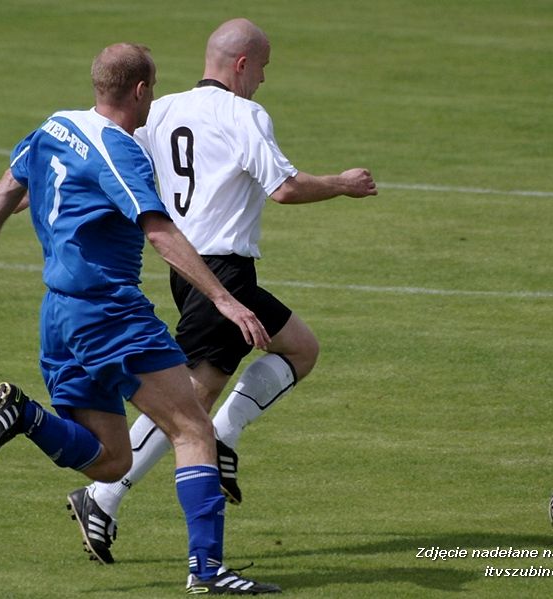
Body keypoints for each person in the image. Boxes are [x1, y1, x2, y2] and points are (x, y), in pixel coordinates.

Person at [0, 42, 281, 595]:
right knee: (193, 428)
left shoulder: (56, 125)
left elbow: (8, 183)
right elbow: (161, 232)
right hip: (108, 313)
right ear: (141, 90)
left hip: (59, 316)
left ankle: (23, 415)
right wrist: (224, 299)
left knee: (110, 461)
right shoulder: (118, 150)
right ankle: (207, 570)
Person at [68, 18, 378, 565]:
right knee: (187, 403)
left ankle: (224, 439)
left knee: (300, 348)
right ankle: (102, 494)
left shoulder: (162, 110)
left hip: (188, 267)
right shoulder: (243, 113)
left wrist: (32, 186)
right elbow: (283, 189)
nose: (262, 80)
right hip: (222, 273)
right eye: (261, 67)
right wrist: (342, 184)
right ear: (240, 64)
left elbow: (107, 151)